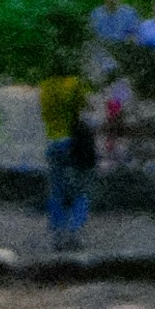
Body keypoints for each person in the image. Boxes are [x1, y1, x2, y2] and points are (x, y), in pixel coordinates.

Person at [35, 60, 93, 256]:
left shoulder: (45, 87)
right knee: (79, 189)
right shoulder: (75, 84)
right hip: (74, 143)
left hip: (53, 142)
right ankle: (75, 231)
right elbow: (85, 107)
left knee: (56, 189)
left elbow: (44, 114)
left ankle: (58, 234)